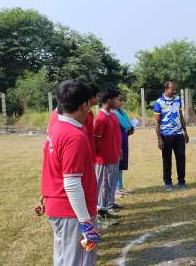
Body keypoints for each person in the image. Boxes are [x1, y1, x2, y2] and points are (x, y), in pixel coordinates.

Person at [41, 80, 100, 266]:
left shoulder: (56, 127)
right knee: (78, 261)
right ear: (84, 105)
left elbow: (50, 167)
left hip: (58, 208)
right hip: (71, 212)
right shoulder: (74, 136)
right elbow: (72, 183)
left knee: (63, 259)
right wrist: (85, 222)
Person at [153, 81, 189, 191]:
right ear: (166, 89)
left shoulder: (178, 99)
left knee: (181, 159)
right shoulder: (158, 102)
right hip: (165, 136)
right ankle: (168, 182)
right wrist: (159, 139)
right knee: (167, 160)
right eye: (172, 89)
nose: (174, 91)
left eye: (175, 89)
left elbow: (180, 116)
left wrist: (185, 131)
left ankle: (181, 181)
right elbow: (156, 122)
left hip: (178, 135)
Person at [94, 89, 122, 220]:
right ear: (109, 100)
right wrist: (100, 158)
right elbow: (95, 141)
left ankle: (106, 207)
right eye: (118, 99)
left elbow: (115, 137)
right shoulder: (100, 119)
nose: (120, 102)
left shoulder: (111, 116)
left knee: (110, 184)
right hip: (104, 160)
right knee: (104, 185)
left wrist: (118, 150)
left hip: (113, 157)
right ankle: (101, 211)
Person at [113, 101, 135, 197]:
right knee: (117, 163)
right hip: (118, 138)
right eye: (118, 100)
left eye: (121, 100)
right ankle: (116, 188)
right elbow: (127, 125)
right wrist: (130, 127)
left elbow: (128, 124)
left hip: (124, 137)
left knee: (121, 164)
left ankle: (120, 186)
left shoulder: (120, 111)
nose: (121, 102)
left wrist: (130, 128)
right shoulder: (113, 112)